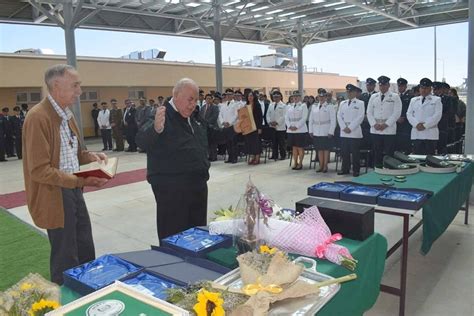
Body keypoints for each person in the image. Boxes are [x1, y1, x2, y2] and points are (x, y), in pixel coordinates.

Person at [22, 64, 108, 285]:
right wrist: (81, 180)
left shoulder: (67, 115)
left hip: (73, 189)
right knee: (65, 256)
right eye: (75, 85)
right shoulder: (37, 117)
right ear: (57, 86)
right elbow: (39, 170)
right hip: (55, 195)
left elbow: (74, 152)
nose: (79, 91)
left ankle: (89, 291)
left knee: (85, 247)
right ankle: (67, 301)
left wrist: (91, 156)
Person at [135, 78, 239, 240]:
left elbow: (213, 135)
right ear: (175, 95)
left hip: (197, 185)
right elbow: (141, 139)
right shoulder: (160, 115)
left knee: (197, 234)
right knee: (174, 237)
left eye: (196, 100)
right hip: (171, 189)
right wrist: (155, 129)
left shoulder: (196, 117)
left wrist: (235, 129)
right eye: (190, 99)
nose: (193, 104)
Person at [366, 76, 402, 166]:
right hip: (375, 129)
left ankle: (389, 169)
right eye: (381, 85)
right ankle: (377, 169)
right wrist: (374, 124)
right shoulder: (373, 97)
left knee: (389, 153)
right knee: (376, 152)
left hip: (389, 129)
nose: (382, 87)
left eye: (385, 85)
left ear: (388, 85)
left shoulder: (395, 96)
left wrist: (386, 124)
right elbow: (369, 112)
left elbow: (397, 113)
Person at [406, 78, 442, 155]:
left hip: (430, 133)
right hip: (417, 132)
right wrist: (416, 124)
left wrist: (425, 125)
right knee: (417, 157)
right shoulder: (414, 100)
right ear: (419, 88)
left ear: (430, 89)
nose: (423, 90)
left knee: (429, 158)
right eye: (422, 88)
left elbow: (437, 115)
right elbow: (409, 114)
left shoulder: (436, 100)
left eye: (426, 88)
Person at [337, 84, 365, 177]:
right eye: (348, 92)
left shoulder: (360, 103)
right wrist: (343, 127)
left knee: (355, 153)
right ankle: (345, 169)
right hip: (344, 131)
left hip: (354, 131)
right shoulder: (342, 103)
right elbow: (339, 116)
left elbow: (360, 117)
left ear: (355, 93)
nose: (349, 93)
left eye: (351, 92)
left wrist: (351, 127)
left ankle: (356, 170)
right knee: (344, 152)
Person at [308, 89, 336, 173]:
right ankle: (320, 165)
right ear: (318, 97)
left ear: (326, 97)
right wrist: (310, 130)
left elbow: (333, 120)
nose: (321, 98)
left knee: (326, 149)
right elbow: (311, 120)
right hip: (316, 130)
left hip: (326, 130)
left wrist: (331, 131)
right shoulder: (314, 106)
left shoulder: (330, 106)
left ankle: (325, 166)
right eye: (320, 96)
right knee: (319, 149)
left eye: (323, 96)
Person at [285, 91, 308, 170]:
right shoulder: (289, 106)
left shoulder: (303, 106)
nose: (295, 98)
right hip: (291, 130)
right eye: (294, 96)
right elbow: (286, 117)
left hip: (300, 130)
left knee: (300, 148)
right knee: (294, 148)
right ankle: (295, 163)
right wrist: (289, 126)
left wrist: (297, 126)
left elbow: (304, 118)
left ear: (300, 97)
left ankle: (300, 163)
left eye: (297, 96)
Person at [266, 90, 287, 160]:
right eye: (274, 97)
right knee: (274, 142)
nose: (276, 98)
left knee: (281, 143)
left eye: (277, 97)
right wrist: (269, 122)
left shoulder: (283, 105)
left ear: (280, 97)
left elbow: (284, 116)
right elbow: (267, 114)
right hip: (272, 126)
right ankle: (274, 155)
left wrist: (277, 122)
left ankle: (283, 155)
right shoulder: (271, 105)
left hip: (280, 127)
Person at [219, 90, 239, 163]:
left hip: (232, 126)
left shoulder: (235, 104)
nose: (228, 96)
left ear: (233, 95)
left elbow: (236, 115)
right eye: (227, 94)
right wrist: (222, 122)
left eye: (230, 94)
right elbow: (220, 114)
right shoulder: (223, 104)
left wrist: (229, 122)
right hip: (225, 126)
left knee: (233, 142)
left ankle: (234, 158)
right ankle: (230, 157)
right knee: (228, 143)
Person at [244, 90, 263, 165]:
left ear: (254, 97)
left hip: (256, 127)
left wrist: (259, 128)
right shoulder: (246, 105)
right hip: (248, 127)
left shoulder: (257, 105)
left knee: (256, 143)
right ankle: (252, 157)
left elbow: (260, 117)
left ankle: (257, 158)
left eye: (251, 96)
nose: (250, 97)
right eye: (248, 96)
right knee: (250, 143)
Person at [200, 93, 220, 161]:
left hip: (212, 127)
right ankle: (209, 155)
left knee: (213, 143)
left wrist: (206, 122)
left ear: (212, 99)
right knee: (207, 142)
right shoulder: (203, 107)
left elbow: (214, 117)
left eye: (210, 98)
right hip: (205, 128)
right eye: (207, 98)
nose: (208, 100)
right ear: (205, 100)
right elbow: (201, 117)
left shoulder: (215, 107)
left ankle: (214, 156)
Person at [396, 78, 414, 154]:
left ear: (406, 86)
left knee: (406, 146)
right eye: (399, 86)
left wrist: (404, 118)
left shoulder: (410, 98)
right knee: (398, 146)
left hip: (406, 124)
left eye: (402, 86)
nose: (400, 88)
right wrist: (397, 118)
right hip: (397, 124)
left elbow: (411, 111)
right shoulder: (395, 97)